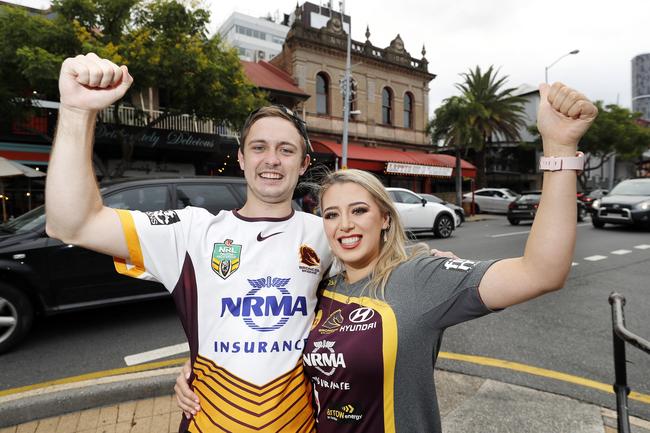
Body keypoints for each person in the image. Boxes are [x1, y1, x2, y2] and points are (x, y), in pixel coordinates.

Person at [46, 52, 458, 433]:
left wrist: (428, 261)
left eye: (285, 150)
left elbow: (383, 278)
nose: (272, 160)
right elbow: (72, 223)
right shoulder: (190, 232)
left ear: (303, 164)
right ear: (241, 158)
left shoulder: (328, 233)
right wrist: (78, 110)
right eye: (259, 148)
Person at [176, 82, 598, 432]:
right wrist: (195, 371)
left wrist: (559, 151)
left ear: (384, 218)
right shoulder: (323, 284)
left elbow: (541, 271)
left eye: (359, 210)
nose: (345, 225)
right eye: (331, 214)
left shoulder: (421, 276)